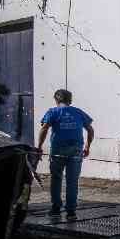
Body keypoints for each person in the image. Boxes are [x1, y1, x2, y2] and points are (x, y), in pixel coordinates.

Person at [36, 89, 94, 220]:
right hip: (76, 150)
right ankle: (71, 212)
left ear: (56, 100)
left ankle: (56, 209)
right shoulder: (78, 112)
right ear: (70, 101)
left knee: (56, 179)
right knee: (72, 181)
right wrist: (87, 146)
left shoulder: (53, 112)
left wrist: (39, 147)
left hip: (58, 151)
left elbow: (44, 128)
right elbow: (90, 129)